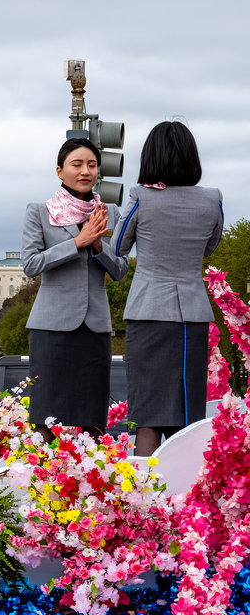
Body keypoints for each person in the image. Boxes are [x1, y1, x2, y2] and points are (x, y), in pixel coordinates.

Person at [113, 122, 224, 455]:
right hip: (191, 317)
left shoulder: (140, 197)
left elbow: (119, 245)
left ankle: (145, 501)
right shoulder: (212, 200)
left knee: (148, 415)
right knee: (186, 415)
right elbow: (210, 247)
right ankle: (187, 500)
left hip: (147, 313)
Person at [21, 137, 129, 439]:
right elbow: (31, 264)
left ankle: (92, 482)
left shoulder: (110, 213)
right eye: (77, 164)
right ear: (60, 171)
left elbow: (120, 269)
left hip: (94, 327)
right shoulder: (39, 211)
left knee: (92, 418)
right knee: (45, 415)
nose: (85, 171)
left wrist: (97, 245)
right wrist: (76, 243)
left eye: (92, 165)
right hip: (51, 327)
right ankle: (41, 482)